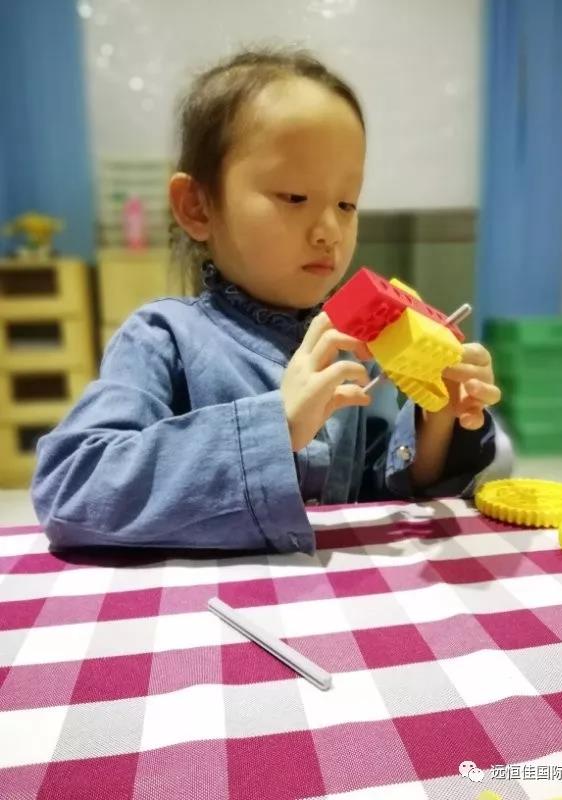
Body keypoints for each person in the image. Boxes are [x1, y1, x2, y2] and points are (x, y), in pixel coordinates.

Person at [31, 47, 510, 553]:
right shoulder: (161, 338)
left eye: (347, 203)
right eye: (295, 197)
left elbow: (367, 498)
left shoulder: (345, 348)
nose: (330, 230)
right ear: (197, 207)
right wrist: (276, 428)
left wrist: (437, 421)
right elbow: (71, 489)